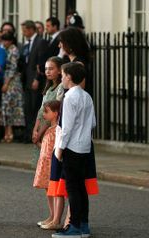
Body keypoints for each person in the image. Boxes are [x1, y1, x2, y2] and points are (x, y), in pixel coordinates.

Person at [53, 62, 97, 238]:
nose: (61, 78)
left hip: (71, 147)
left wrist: (59, 150)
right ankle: (84, 225)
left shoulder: (70, 97)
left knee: (72, 188)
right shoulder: (87, 96)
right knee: (81, 188)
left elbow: (66, 128)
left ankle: (74, 226)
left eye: (63, 75)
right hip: (85, 147)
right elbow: (93, 123)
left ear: (69, 76)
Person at [33, 100, 61, 230]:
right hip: (45, 164)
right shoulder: (50, 128)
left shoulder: (57, 130)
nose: (44, 114)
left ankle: (56, 217)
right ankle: (51, 215)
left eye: (46, 111)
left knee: (54, 191)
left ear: (55, 113)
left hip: (51, 165)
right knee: (48, 190)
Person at [20, 20, 48, 143]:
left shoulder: (40, 42)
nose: (23, 33)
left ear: (31, 30)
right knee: (27, 109)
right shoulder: (26, 44)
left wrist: (37, 78)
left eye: (25, 30)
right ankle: (28, 134)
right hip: (26, 80)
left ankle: (35, 134)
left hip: (35, 81)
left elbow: (40, 62)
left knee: (34, 108)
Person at [0, 32, 25, 143]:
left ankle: (10, 133)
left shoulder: (14, 50)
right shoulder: (5, 49)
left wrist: (6, 83)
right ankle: (7, 132)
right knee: (5, 107)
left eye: (5, 40)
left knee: (10, 106)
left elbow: (13, 68)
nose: (3, 42)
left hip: (12, 82)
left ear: (10, 41)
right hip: (6, 79)